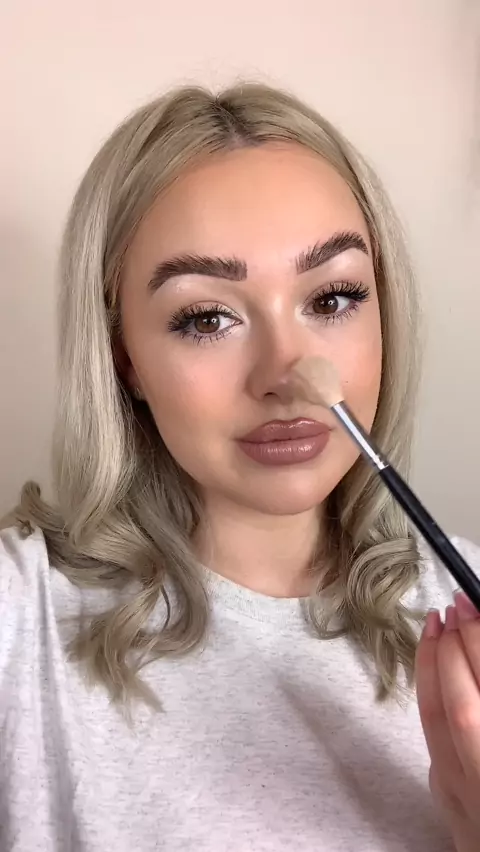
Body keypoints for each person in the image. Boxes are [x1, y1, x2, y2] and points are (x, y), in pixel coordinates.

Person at [0, 81, 479, 852]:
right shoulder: (21, 614)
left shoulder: (462, 599)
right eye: (207, 317)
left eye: (333, 299)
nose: (286, 375)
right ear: (125, 360)